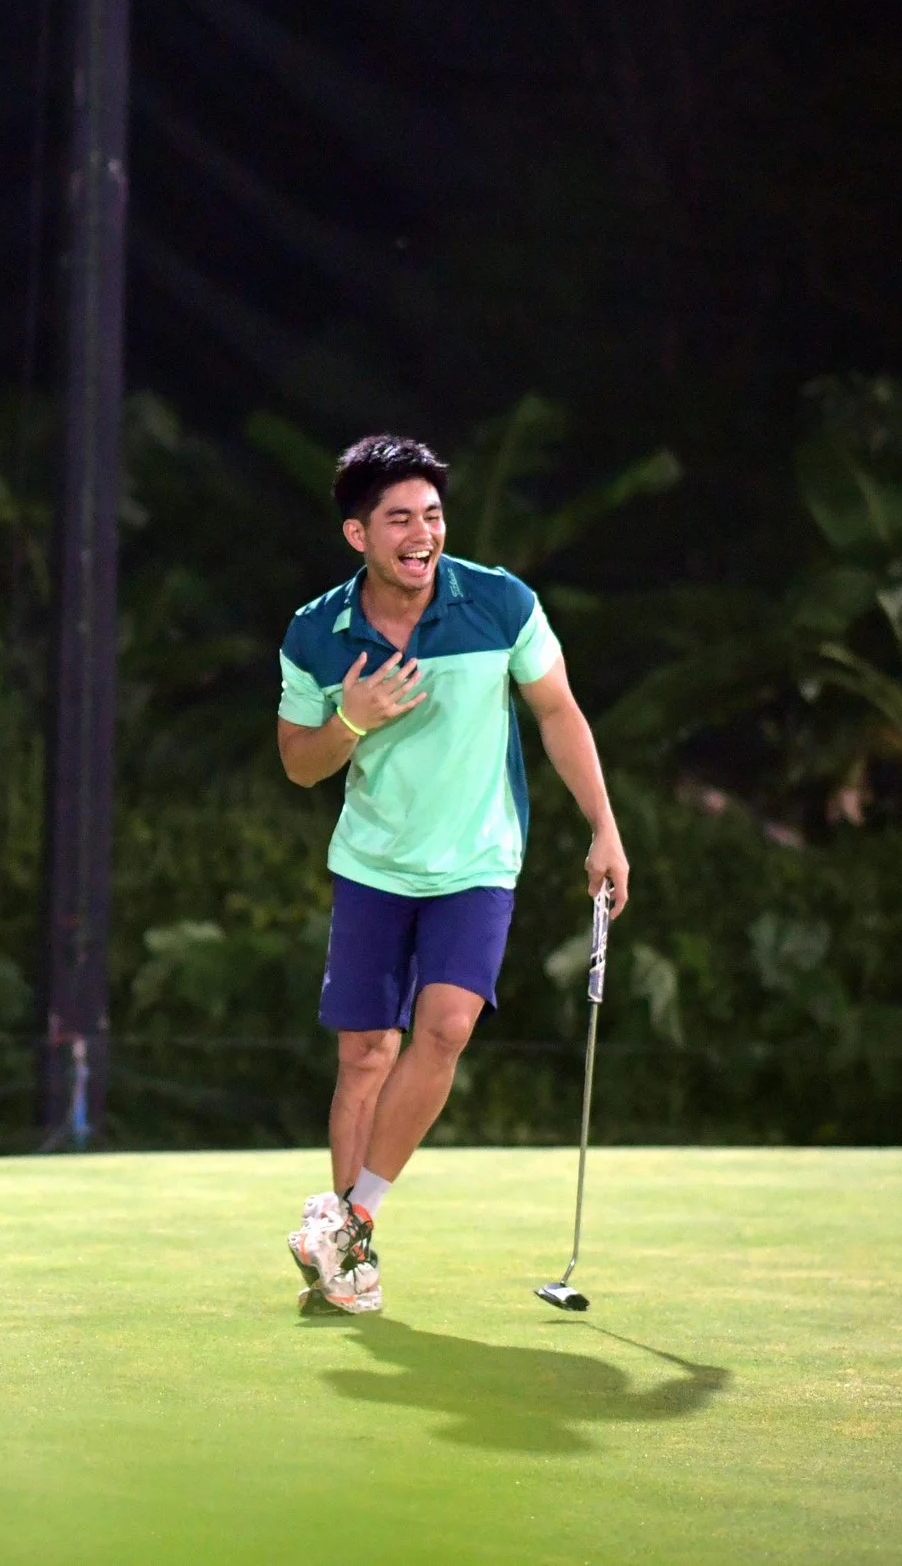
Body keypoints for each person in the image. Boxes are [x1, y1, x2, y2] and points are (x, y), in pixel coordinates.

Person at [274, 435, 628, 1313]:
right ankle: (349, 1255)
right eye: (399, 518)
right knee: (364, 1053)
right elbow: (297, 763)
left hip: (477, 861)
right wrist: (350, 721)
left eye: (432, 514)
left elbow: (559, 713)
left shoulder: (501, 603)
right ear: (358, 533)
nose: (421, 533)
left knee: (446, 1027)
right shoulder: (317, 632)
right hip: (373, 863)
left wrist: (604, 829)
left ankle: (350, 1219)